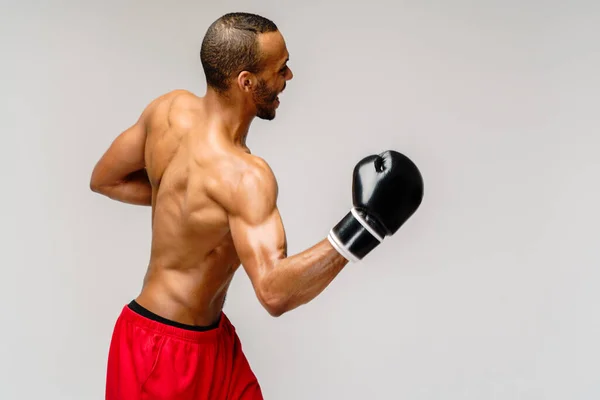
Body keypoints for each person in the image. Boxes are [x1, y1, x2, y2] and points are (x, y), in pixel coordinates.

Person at [90, 12, 423, 400]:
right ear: (246, 82)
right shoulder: (246, 176)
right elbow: (274, 293)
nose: (289, 77)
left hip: (215, 345)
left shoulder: (166, 111)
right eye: (280, 70)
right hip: (158, 353)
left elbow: (106, 178)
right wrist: (361, 227)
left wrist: (191, 207)